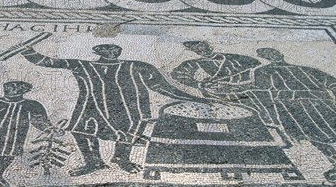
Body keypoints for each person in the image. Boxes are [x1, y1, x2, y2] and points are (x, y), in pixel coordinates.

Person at [20, 43, 201, 177]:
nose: (112, 52)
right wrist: (27, 51)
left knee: (128, 131)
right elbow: (50, 62)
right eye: (106, 50)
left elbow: (162, 86)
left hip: (130, 107)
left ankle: (121, 158)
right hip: (91, 106)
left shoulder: (136, 66)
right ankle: (93, 162)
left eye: (115, 50)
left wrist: (194, 98)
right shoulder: (83, 65)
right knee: (81, 131)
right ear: (97, 52)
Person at [205, 48, 336, 183]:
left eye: (271, 54)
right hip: (291, 110)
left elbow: (335, 83)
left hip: (320, 106)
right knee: (315, 137)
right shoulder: (263, 72)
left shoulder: (300, 70)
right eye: (268, 55)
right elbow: (250, 89)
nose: (271, 58)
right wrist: (220, 89)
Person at [171, 41, 260, 91]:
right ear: (195, 52)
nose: (203, 51)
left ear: (210, 47)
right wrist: (199, 84)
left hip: (242, 89)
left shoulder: (232, 58)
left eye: (204, 48)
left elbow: (255, 65)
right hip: (213, 91)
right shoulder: (192, 63)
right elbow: (177, 74)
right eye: (198, 50)